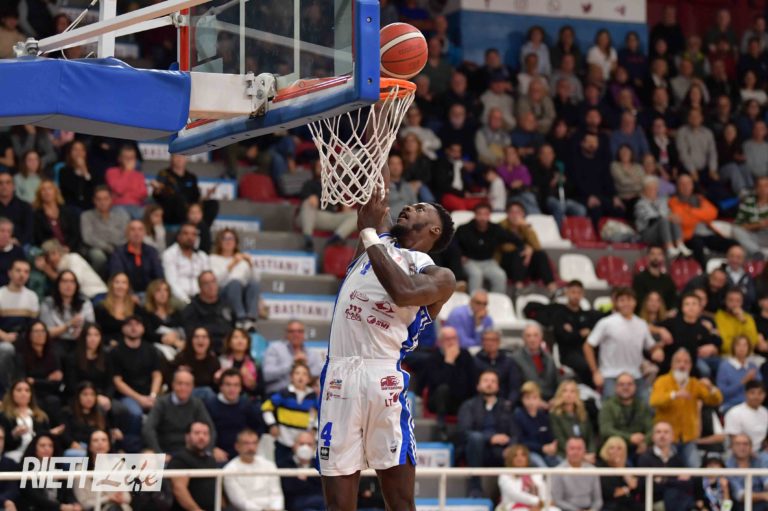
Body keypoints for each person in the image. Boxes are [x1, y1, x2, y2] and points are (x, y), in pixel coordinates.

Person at [318, 185, 456, 510]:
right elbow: (377, 181)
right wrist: (374, 148)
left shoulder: (439, 276)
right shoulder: (377, 243)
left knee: (400, 503)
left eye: (420, 208)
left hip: (383, 377)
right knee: (337, 505)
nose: (409, 207)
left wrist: (368, 233)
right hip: (338, 375)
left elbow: (403, 292)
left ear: (434, 230)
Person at [650, 348, 724, 468]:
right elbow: (654, 401)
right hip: (667, 438)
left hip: (689, 438)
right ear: (672, 364)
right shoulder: (662, 381)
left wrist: (711, 388)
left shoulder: (694, 383)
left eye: (686, 362)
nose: (682, 365)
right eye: (678, 361)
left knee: (696, 469)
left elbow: (715, 400)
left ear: (690, 365)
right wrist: (674, 395)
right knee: (668, 470)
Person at [584, 287, 662, 397]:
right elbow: (588, 346)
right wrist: (595, 372)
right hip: (610, 375)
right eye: (622, 300)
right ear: (616, 303)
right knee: (609, 404)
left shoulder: (641, 324)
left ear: (635, 302)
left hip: (635, 375)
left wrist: (657, 351)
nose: (626, 304)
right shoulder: (606, 323)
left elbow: (651, 346)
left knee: (647, 404)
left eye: (629, 300)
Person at [457, 369, 517, 497]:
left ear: (498, 386)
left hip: (501, 450)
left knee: (520, 452)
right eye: (485, 381)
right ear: (478, 386)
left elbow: (515, 432)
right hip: (478, 450)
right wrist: (490, 438)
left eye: (493, 381)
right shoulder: (469, 405)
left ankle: (513, 493)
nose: (489, 384)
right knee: (476, 438)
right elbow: (464, 432)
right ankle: (475, 487)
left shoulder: (506, 407)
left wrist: (511, 448)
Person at [111, 315, 162, 452]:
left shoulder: (151, 350)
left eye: (137, 324)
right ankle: (132, 450)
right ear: (123, 328)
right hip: (126, 396)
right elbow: (117, 381)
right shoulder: (116, 351)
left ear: (143, 328)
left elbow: (157, 375)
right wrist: (139, 399)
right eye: (130, 324)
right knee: (135, 413)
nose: (133, 328)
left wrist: (152, 395)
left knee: (164, 409)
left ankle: (158, 450)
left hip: (149, 394)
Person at [142, 368, 215, 457]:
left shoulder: (197, 404)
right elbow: (148, 429)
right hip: (165, 451)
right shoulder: (162, 403)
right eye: (179, 383)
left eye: (187, 384)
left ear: (193, 387)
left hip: (190, 453)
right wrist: (159, 453)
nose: (183, 388)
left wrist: (207, 452)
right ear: (173, 384)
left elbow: (210, 428)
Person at [669, 173, 736, 265]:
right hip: (689, 236)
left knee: (733, 244)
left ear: (692, 186)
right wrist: (699, 215)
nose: (686, 187)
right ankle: (704, 271)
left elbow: (713, 213)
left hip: (707, 233)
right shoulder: (673, 201)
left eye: (688, 183)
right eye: (682, 184)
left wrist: (691, 211)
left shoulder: (699, 198)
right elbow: (683, 220)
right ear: (677, 187)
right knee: (697, 245)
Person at [262, 361, 318, 467]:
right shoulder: (284, 393)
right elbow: (266, 408)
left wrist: (315, 428)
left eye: (304, 374)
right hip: (284, 441)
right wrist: (272, 425)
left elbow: (321, 414)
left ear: (309, 379)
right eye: (297, 373)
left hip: (303, 444)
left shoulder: (312, 395)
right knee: (283, 469)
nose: (300, 377)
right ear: (291, 377)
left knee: (303, 470)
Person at [455, 203, 520, 293]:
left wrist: (529, 247)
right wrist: (460, 255)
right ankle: (474, 300)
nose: (482, 217)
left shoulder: (496, 229)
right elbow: (453, 245)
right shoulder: (463, 229)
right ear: (475, 215)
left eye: (485, 214)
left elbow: (514, 239)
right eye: (479, 214)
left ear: (489, 215)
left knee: (500, 275)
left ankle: (497, 300)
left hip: (488, 261)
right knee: (476, 274)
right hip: (469, 261)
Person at [423, 326, 477, 431]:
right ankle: (441, 427)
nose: (452, 342)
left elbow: (470, 382)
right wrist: (449, 363)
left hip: (461, 399)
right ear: (440, 342)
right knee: (443, 389)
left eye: (454, 338)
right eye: (447, 339)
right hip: (440, 401)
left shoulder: (466, 355)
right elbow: (436, 384)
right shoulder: (433, 358)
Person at [297, 160, 357, 251]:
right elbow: (305, 202)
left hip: (330, 217)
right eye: (319, 166)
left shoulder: (335, 187)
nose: (322, 167)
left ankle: (336, 238)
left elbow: (345, 208)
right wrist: (311, 198)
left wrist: (345, 207)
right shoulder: (308, 184)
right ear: (314, 169)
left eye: (324, 165)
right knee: (307, 204)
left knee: (356, 214)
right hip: (312, 216)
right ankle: (307, 239)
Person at [206, 369, 264, 460]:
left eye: (236, 385)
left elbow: (258, 428)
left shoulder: (247, 405)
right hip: (218, 456)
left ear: (240, 388)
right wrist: (212, 448)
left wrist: (250, 445)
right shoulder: (209, 406)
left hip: (243, 454)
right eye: (228, 385)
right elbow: (203, 432)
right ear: (221, 387)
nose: (232, 389)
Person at [659, 292, 722, 376]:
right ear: (682, 308)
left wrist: (713, 348)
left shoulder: (703, 327)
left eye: (694, 304)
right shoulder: (672, 322)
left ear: (700, 308)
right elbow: (650, 326)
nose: (691, 307)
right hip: (670, 364)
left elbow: (716, 344)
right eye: (687, 304)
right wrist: (661, 330)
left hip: (692, 366)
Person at [210, 228, 260, 331]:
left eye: (231, 238)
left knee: (253, 284)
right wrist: (232, 264)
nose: (228, 241)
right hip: (223, 292)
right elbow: (215, 281)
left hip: (241, 292)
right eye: (225, 239)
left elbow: (256, 280)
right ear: (219, 242)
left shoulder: (243, 260)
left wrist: (250, 264)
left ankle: (250, 318)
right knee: (235, 283)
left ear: (236, 242)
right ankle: (240, 317)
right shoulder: (213, 259)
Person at [498, 201, 556, 291]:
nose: (515, 215)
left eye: (518, 212)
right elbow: (505, 247)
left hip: (524, 264)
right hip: (506, 263)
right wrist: (526, 248)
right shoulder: (501, 226)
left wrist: (527, 228)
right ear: (507, 214)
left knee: (540, 254)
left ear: (523, 214)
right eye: (512, 212)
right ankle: (518, 287)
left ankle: (552, 287)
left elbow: (537, 246)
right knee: (520, 251)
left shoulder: (524, 225)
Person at [637, 421, 695, 509]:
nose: (662, 435)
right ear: (653, 437)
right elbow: (643, 486)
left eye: (666, 432)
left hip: (677, 500)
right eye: (658, 432)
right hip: (655, 502)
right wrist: (675, 480)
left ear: (672, 437)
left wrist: (663, 480)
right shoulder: (645, 458)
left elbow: (687, 484)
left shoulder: (678, 459)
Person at [222, 429, 284, 511]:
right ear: (237, 446)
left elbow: (276, 494)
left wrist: (275, 508)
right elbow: (239, 500)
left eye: (254, 443)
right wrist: (262, 510)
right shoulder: (229, 470)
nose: (251, 447)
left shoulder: (269, 465)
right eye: (246, 443)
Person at [598, 373, 654, 458]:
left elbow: (651, 429)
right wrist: (630, 438)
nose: (625, 387)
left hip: (639, 449)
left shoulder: (641, 406)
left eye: (629, 384)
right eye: (621, 384)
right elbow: (606, 430)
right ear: (616, 387)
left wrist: (645, 442)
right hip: (616, 450)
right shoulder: (608, 406)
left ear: (635, 387)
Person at [634, 178, 692, 259]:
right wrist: (667, 217)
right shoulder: (640, 204)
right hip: (647, 233)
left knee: (674, 218)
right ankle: (669, 247)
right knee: (664, 220)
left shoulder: (662, 201)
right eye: (650, 189)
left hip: (663, 230)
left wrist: (672, 216)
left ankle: (680, 244)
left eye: (655, 189)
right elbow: (651, 219)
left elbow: (668, 214)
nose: (653, 191)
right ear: (644, 191)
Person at [0, 379, 55, 463]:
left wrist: (50, 434)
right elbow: (4, 443)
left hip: (37, 456)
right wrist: (14, 435)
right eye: (19, 390)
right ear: (12, 394)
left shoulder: (41, 416)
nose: (23, 393)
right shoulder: (4, 416)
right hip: (13, 454)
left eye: (27, 390)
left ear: (31, 395)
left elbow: (45, 437)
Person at [262, 320, 324, 394]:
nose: (296, 334)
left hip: (305, 395)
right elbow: (266, 375)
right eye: (291, 331)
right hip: (278, 394)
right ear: (286, 334)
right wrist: (291, 364)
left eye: (299, 331)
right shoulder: (275, 349)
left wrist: (304, 367)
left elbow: (319, 374)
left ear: (304, 334)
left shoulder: (312, 354)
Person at [180, 271, 235, 353]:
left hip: (228, 350)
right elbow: (191, 336)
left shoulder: (226, 304)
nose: (211, 286)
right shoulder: (191, 309)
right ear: (200, 287)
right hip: (204, 352)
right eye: (206, 283)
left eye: (213, 281)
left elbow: (234, 327)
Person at [167, 421, 217, 511]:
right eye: (197, 433)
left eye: (205, 434)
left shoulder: (211, 460)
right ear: (187, 436)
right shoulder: (180, 460)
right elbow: (179, 490)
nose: (201, 437)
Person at [79, 186, 130, 274]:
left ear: (111, 200)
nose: (102, 202)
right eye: (99, 199)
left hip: (120, 247)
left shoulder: (122, 215)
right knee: (98, 256)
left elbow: (127, 234)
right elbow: (88, 237)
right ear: (94, 201)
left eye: (106, 199)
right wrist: (107, 247)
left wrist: (119, 247)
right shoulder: (86, 216)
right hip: (97, 248)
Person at [36, 239, 107, 299]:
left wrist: (48, 270)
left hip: (98, 294)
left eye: (54, 253)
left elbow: (73, 283)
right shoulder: (55, 269)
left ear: (60, 252)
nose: (51, 258)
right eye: (47, 256)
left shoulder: (73, 258)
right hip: (84, 299)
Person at [108, 219, 164, 294]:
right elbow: (117, 277)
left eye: (140, 229)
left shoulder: (152, 251)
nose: (137, 233)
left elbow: (159, 276)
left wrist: (152, 295)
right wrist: (130, 295)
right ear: (127, 233)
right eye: (132, 229)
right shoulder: (118, 253)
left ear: (144, 233)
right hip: (126, 294)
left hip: (150, 295)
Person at [497, 444, 559, 511]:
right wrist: (538, 502)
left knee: (554, 510)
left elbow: (543, 489)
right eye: (515, 456)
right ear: (510, 459)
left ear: (527, 458)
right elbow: (515, 494)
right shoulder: (505, 475)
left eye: (523, 455)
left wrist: (546, 501)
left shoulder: (536, 473)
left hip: (539, 505)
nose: (519, 458)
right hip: (516, 506)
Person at [162, 223, 211, 304]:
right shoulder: (170, 254)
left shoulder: (202, 256)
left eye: (193, 234)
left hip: (200, 298)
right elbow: (172, 283)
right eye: (186, 233)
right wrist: (188, 301)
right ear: (179, 236)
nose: (190, 237)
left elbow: (208, 280)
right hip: (178, 297)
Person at [514, 381, 559, 468]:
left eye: (534, 398)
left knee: (561, 464)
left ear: (539, 399)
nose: (531, 402)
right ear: (522, 399)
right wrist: (541, 448)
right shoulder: (518, 415)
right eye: (527, 398)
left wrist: (551, 446)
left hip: (545, 452)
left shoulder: (543, 416)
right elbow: (520, 440)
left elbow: (549, 436)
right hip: (528, 452)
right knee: (542, 467)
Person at [551, 437, 603, 511]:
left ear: (584, 451)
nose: (575, 452)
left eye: (579, 449)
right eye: (572, 448)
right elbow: (557, 500)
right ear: (566, 450)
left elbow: (598, 500)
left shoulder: (592, 470)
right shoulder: (557, 471)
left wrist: (593, 509)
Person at [152, 154, 205, 225]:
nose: (179, 159)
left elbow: (196, 196)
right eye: (176, 156)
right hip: (170, 210)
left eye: (182, 156)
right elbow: (158, 195)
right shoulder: (163, 174)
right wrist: (157, 190)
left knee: (212, 204)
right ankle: (187, 224)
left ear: (186, 159)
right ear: (171, 158)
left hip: (189, 208)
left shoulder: (192, 176)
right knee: (178, 198)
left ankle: (201, 226)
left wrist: (195, 207)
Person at [549, 380, 596, 460]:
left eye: (572, 391)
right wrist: (580, 456)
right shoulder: (555, 415)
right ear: (560, 394)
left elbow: (590, 436)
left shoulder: (583, 414)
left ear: (577, 394)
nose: (569, 394)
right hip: (564, 455)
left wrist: (591, 452)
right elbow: (560, 440)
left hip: (585, 454)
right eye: (565, 391)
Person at [474, 329, 522, 404]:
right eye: (486, 340)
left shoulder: (509, 362)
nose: (490, 343)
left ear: (499, 342)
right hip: (480, 404)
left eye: (493, 340)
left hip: (504, 403)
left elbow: (514, 387)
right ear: (482, 342)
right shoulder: (475, 362)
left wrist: (509, 403)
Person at [32, 179, 82, 251]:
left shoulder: (67, 211)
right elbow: (39, 238)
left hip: (70, 249)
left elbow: (75, 234)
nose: (47, 192)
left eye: (49, 188)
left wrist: (68, 247)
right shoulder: (36, 215)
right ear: (39, 194)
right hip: (49, 250)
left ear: (56, 192)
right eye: (43, 190)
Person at [512, 323, 559, 400]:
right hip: (528, 401)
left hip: (550, 400)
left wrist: (555, 400)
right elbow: (516, 387)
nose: (532, 339)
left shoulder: (549, 358)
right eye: (528, 336)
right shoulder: (516, 358)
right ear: (523, 338)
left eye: (535, 335)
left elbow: (556, 381)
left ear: (541, 337)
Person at [172, 326, 221, 400]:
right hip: (184, 395)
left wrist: (218, 380)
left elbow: (216, 389)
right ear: (191, 340)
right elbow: (170, 380)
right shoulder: (181, 358)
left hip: (206, 399)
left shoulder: (213, 361)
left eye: (204, 337)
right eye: (196, 337)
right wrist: (178, 373)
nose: (200, 340)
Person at [281, 431, 325, 510]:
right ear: (294, 446)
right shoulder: (284, 464)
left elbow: (322, 488)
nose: (305, 448)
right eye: (301, 444)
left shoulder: (320, 465)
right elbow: (288, 488)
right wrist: (311, 480)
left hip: (319, 503)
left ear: (314, 447)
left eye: (309, 444)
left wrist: (303, 480)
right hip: (295, 504)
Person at [719, 336, 763, 414]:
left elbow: (761, 389)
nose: (741, 348)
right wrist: (743, 381)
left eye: (745, 345)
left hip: (753, 406)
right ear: (733, 347)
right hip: (732, 406)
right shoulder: (725, 366)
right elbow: (722, 394)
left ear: (749, 348)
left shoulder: (753, 366)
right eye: (738, 345)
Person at [140, 278, 185, 356]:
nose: (163, 294)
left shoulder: (175, 312)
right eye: (158, 290)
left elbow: (182, 329)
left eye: (166, 290)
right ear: (152, 293)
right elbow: (147, 334)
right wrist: (163, 338)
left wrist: (175, 337)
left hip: (176, 343)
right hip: (154, 347)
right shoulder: (145, 313)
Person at [598, 436, 642, 511]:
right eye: (612, 448)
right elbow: (613, 493)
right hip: (610, 506)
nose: (615, 451)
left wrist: (621, 469)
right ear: (606, 450)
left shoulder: (627, 467)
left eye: (619, 448)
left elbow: (635, 486)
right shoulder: (601, 467)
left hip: (630, 505)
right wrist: (628, 489)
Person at [725, 434, 768, 511]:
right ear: (731, 447)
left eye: (745, 444)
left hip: (764, 504)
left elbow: (766, 482)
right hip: (740, 506)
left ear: (751, 447)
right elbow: (740, 495)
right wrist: (764, 496)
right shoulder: (727, 465)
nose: (742, 447)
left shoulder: (759, 460)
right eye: (738, 444)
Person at [724, 380, 768, 453]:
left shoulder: (765, 412)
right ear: (745, 394)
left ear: (765, 395)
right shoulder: (735, 412)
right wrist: (752, 454)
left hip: (761, 451)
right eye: (752, 393)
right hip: (739, 453)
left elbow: (763, 439)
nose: (756, 397)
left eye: (760, 393)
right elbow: (733, 439)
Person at [104, 145, 147, 219]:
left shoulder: (139, 175)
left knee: (148, 214)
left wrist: (126, 194)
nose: (129, 160)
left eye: (132, 158)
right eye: (126, 157)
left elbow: (143, 194)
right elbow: (119, 190)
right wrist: (127, 171)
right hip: (118, 206)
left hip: (137, 207)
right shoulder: (111, 172)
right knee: (123, 215)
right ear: (119, 159)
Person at [0, 259, 38, 339]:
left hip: (25, 339)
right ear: (10, 273)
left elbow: (34, 324)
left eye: (26, 272)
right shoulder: (1, 294)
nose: (22, 275)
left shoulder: (32, 296)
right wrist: (4, 336)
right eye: (18, 270)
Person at [715, 287, 759, 354]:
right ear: (725, 301)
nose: (734, 304)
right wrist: (741, 348)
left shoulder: (747, 318)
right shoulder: (719, 317)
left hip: (748, 356)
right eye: (731, 300)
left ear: (742, 302)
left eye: (738, 301)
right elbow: (723, 344)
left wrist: (744, 321)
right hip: (728, 355)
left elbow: (753, 342)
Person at [94, 272, 135, 344]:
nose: (120, 286)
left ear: (128, 286)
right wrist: (109, 341)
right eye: (117, 282)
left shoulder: (135, 307)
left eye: (124, 283)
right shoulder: (101, 308)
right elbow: (96, 332)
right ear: (111, 285)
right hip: (107, 345)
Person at [58, 140, 94, 211]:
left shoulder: (92, 170)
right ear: (70, 153)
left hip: (90, 206)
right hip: (71, 207)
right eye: (75, 150)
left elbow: (93, 189)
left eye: (81, 150)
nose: (78, 153)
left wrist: (85, 171)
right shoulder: (64, 171)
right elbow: (69, 190)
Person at [0, 172, 33, 246]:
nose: (4, 186)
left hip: (20, 244)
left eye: (8, 182)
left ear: (13, 186)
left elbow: (29, 231)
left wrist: (18, 241)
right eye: (0, 183)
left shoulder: (25, 206)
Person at [0, 218, 25, 288]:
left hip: (11, 289)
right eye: (2, 231)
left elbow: (22, 273)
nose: (5, 234)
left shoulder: (18, 251)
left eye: (9, 232)